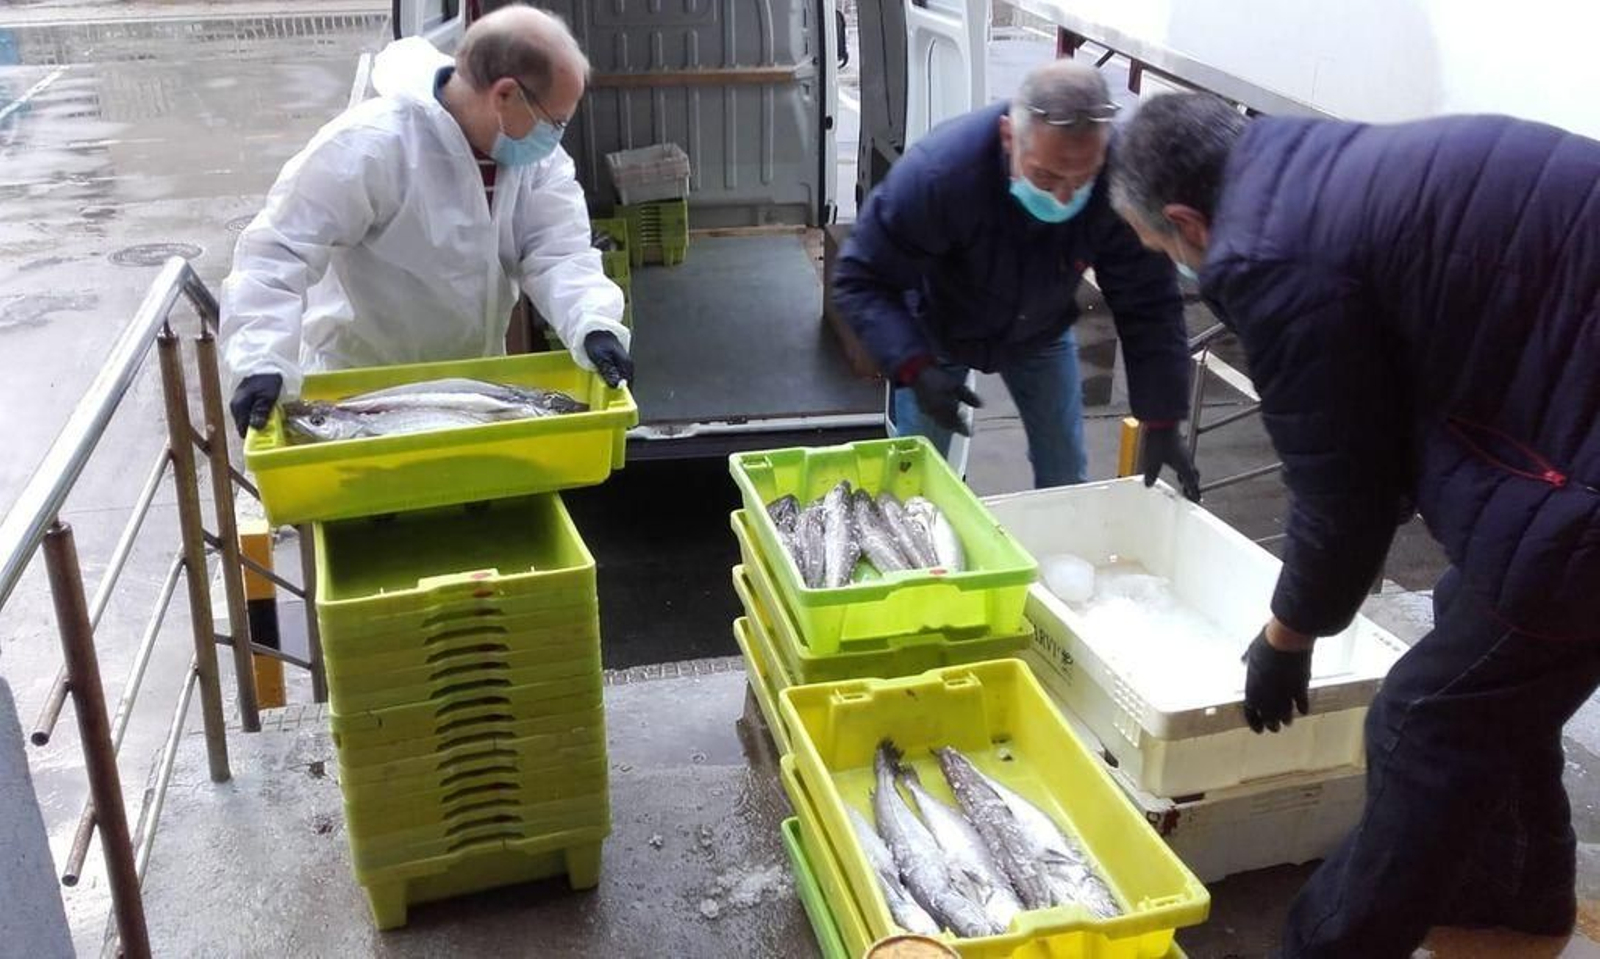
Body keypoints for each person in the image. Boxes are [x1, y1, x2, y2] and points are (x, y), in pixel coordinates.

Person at [1111, 92, 1600, 956]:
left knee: (1423, 720)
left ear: (1187, 220)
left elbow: (1346, 497)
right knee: (1479, 651)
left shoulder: (1272, 257)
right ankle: (1511, 897)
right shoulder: (1306, 163)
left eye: (1163, 249)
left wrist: (1287, 636)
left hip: (1579, 473)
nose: (1177, 267)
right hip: (1567, 405)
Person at [221, 6, 633, 436]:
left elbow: (558, 254)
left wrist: (594, 324)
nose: (557, 136)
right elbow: (277, 253)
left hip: (469, 394)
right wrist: (260, 361)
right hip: (359, 399)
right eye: (555, 121)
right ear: (505, 95)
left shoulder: (537, 164)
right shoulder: (371, 148)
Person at [831, 60, 1199, 496]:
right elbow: (861, 277)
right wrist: (913, 365)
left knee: (1065, 474)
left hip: (1041, 333)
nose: (1065, 196)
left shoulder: (1118, 179)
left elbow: (1148, 301)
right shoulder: (940, 175)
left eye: (1082, 179)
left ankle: (1059, 555)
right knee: (916, 481)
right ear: (1010, 136)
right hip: (937, 331)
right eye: (1045, 176)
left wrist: (1161, 415)